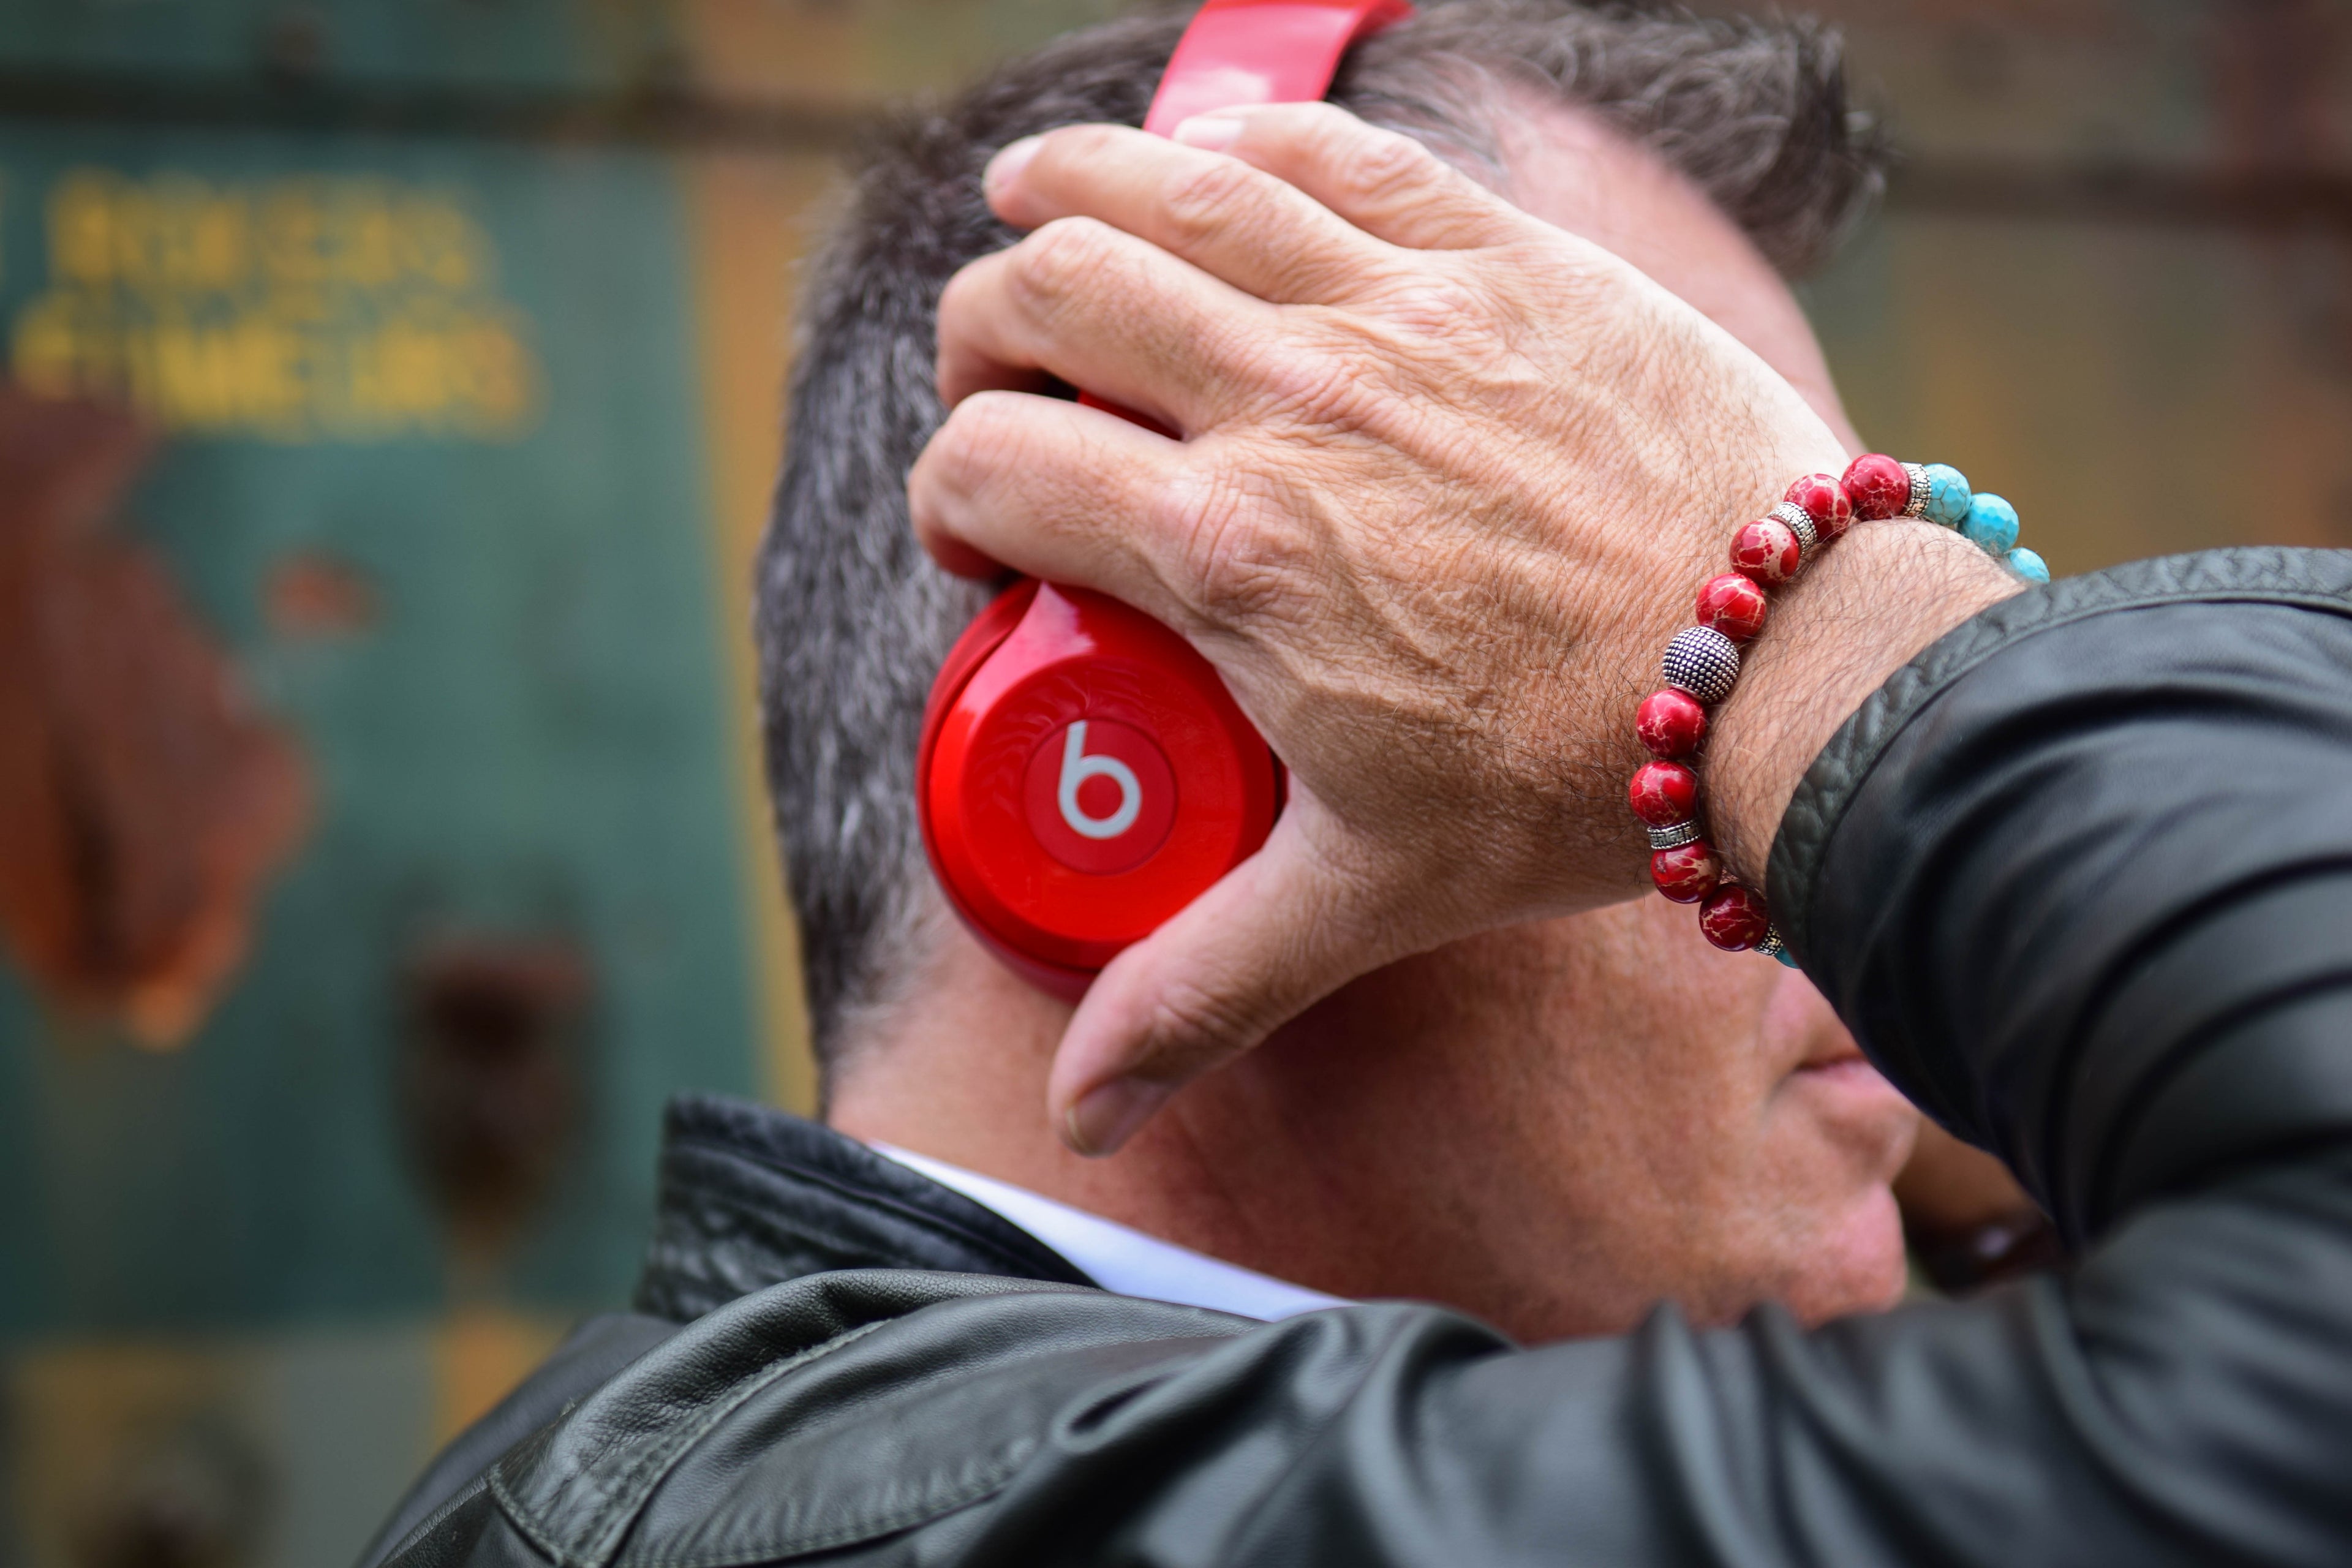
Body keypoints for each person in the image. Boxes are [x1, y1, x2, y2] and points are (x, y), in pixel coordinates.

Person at [365, 16, 2352, 1568]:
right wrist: (1826, 637)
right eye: (1671, 618)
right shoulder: (883, 1525)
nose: (1818, 810)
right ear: (1143, 770)